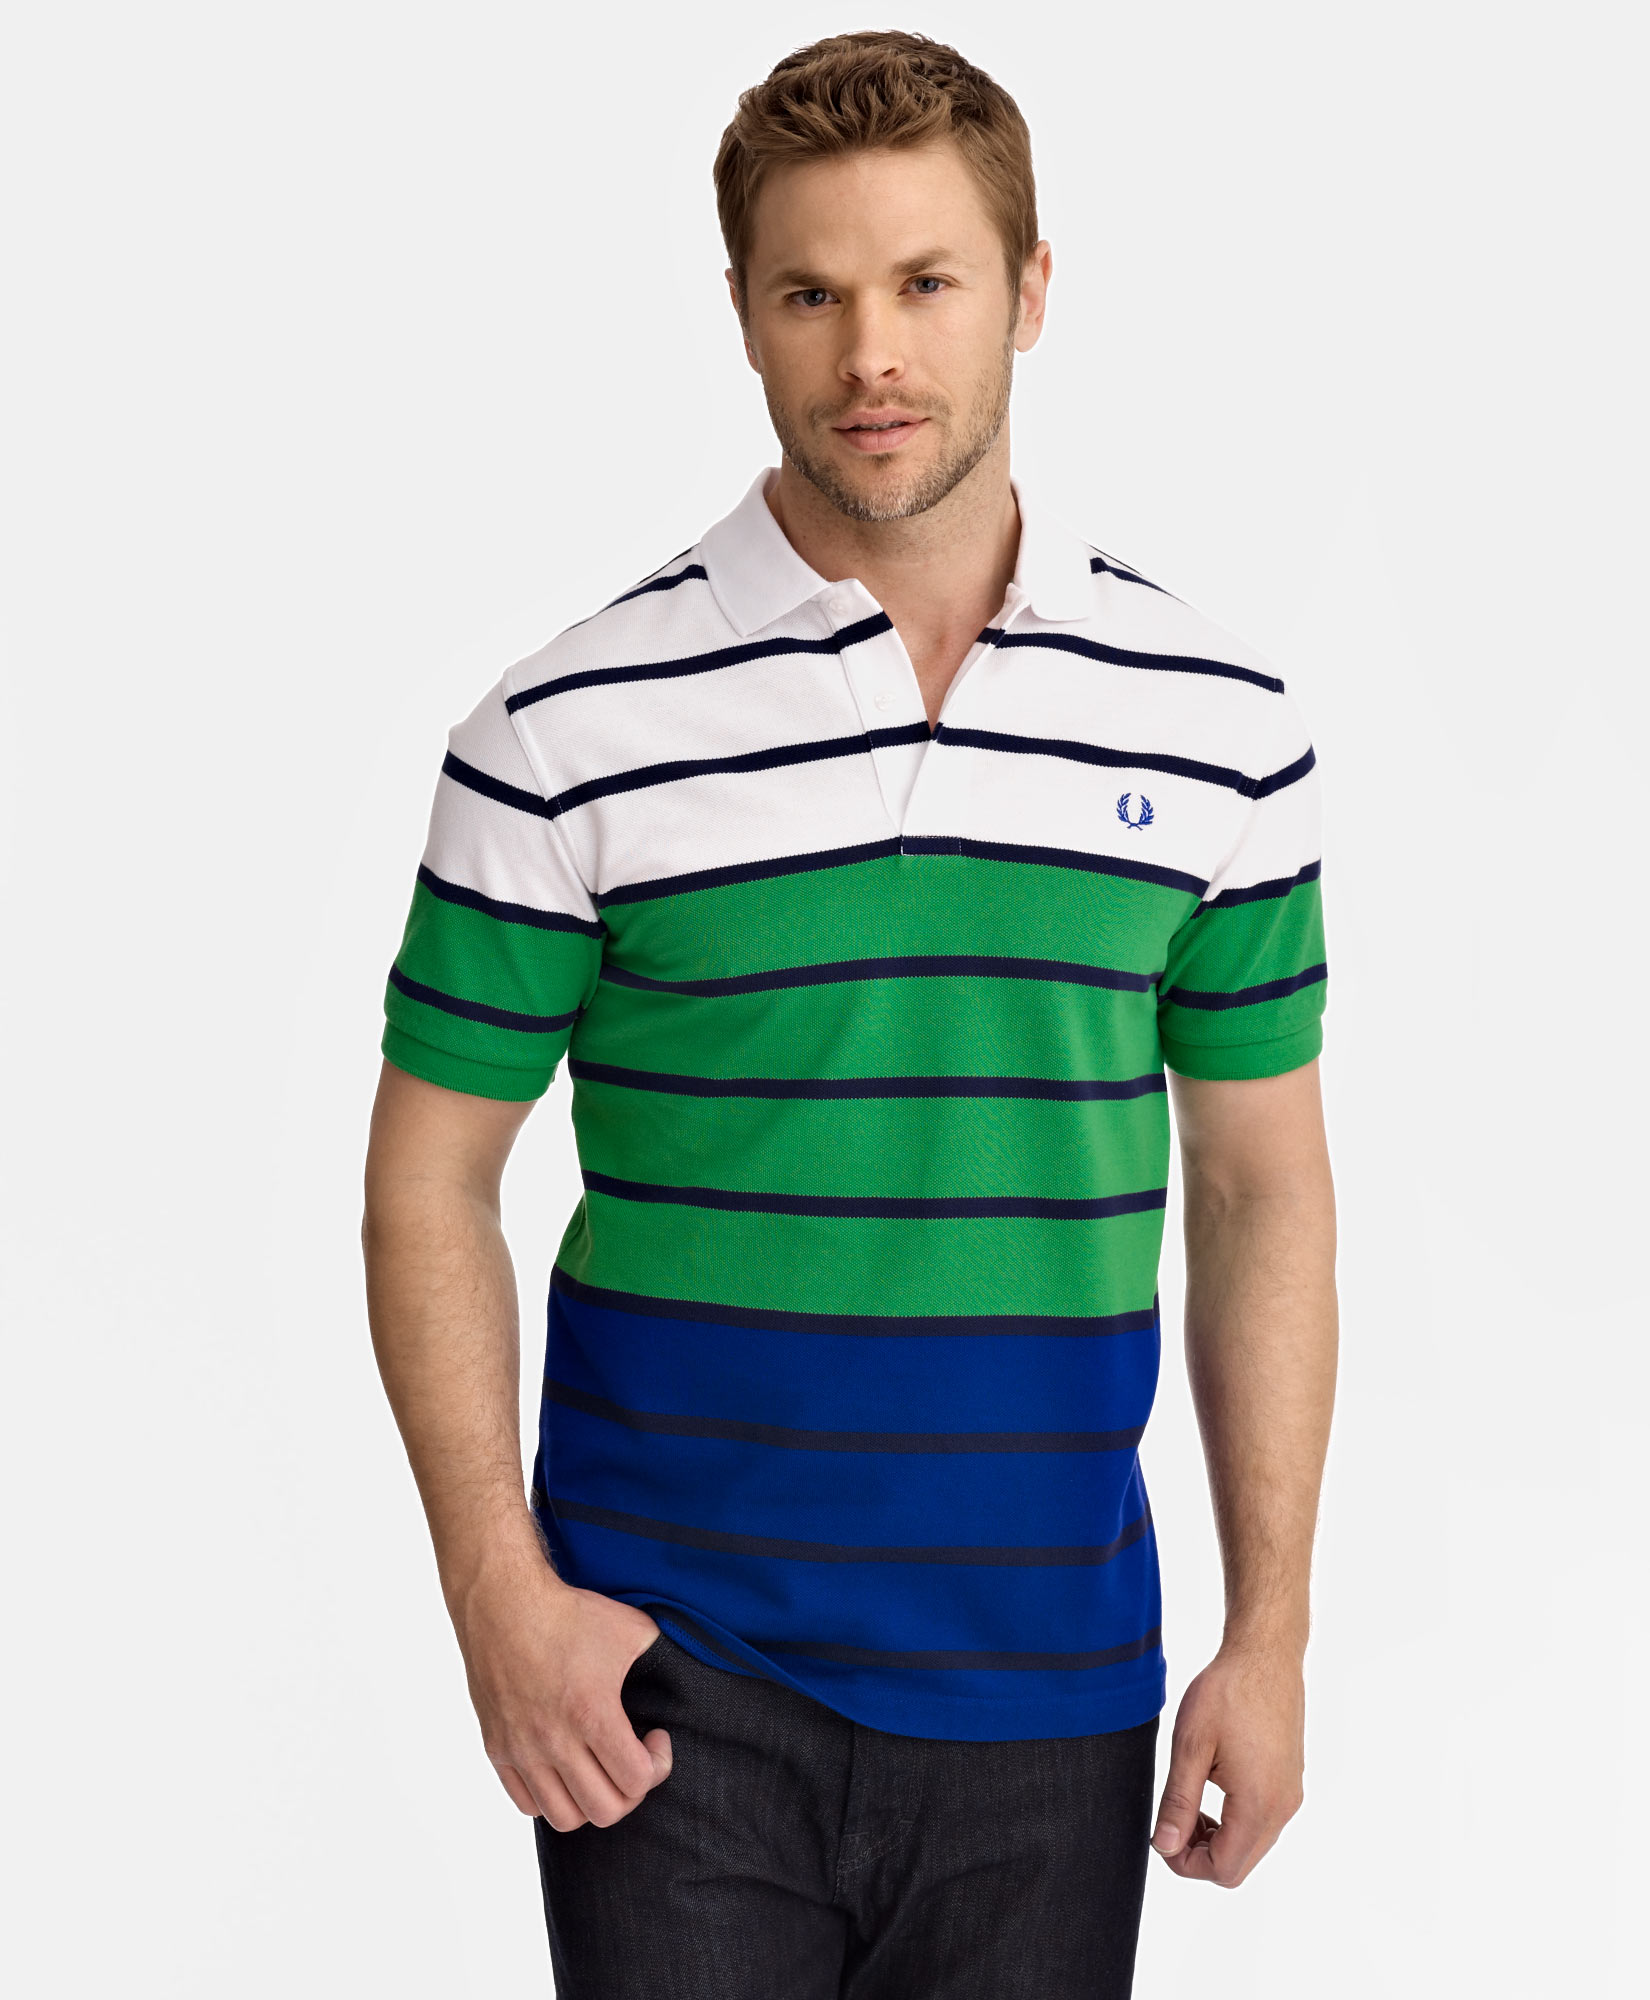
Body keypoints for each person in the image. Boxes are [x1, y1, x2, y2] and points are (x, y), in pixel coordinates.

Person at [361, 28, 1337, 1998]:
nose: (870, 352)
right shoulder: (564, 732)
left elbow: (1263, 1193)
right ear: (742, 312)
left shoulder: (1216, 729)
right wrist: (498, 1600)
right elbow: (424, 1183)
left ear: (1030, 292)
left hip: (1054, 1690)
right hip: (667, 1693)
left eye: (925, 281)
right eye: (810, 293)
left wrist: (1273, 1633)